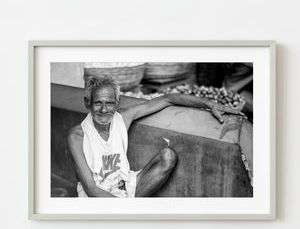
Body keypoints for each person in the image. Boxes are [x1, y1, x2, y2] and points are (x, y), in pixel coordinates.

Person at [67, 76, 243, 198]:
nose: (104, 110)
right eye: (98, 103)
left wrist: (210, 104)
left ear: (117, 103)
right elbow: (91, 189)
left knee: (168, 156)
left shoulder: (123, 118)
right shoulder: (77, 136)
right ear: (87, 102)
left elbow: (167, 99)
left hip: (125, 188)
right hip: (98, 199)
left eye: (109, 103)